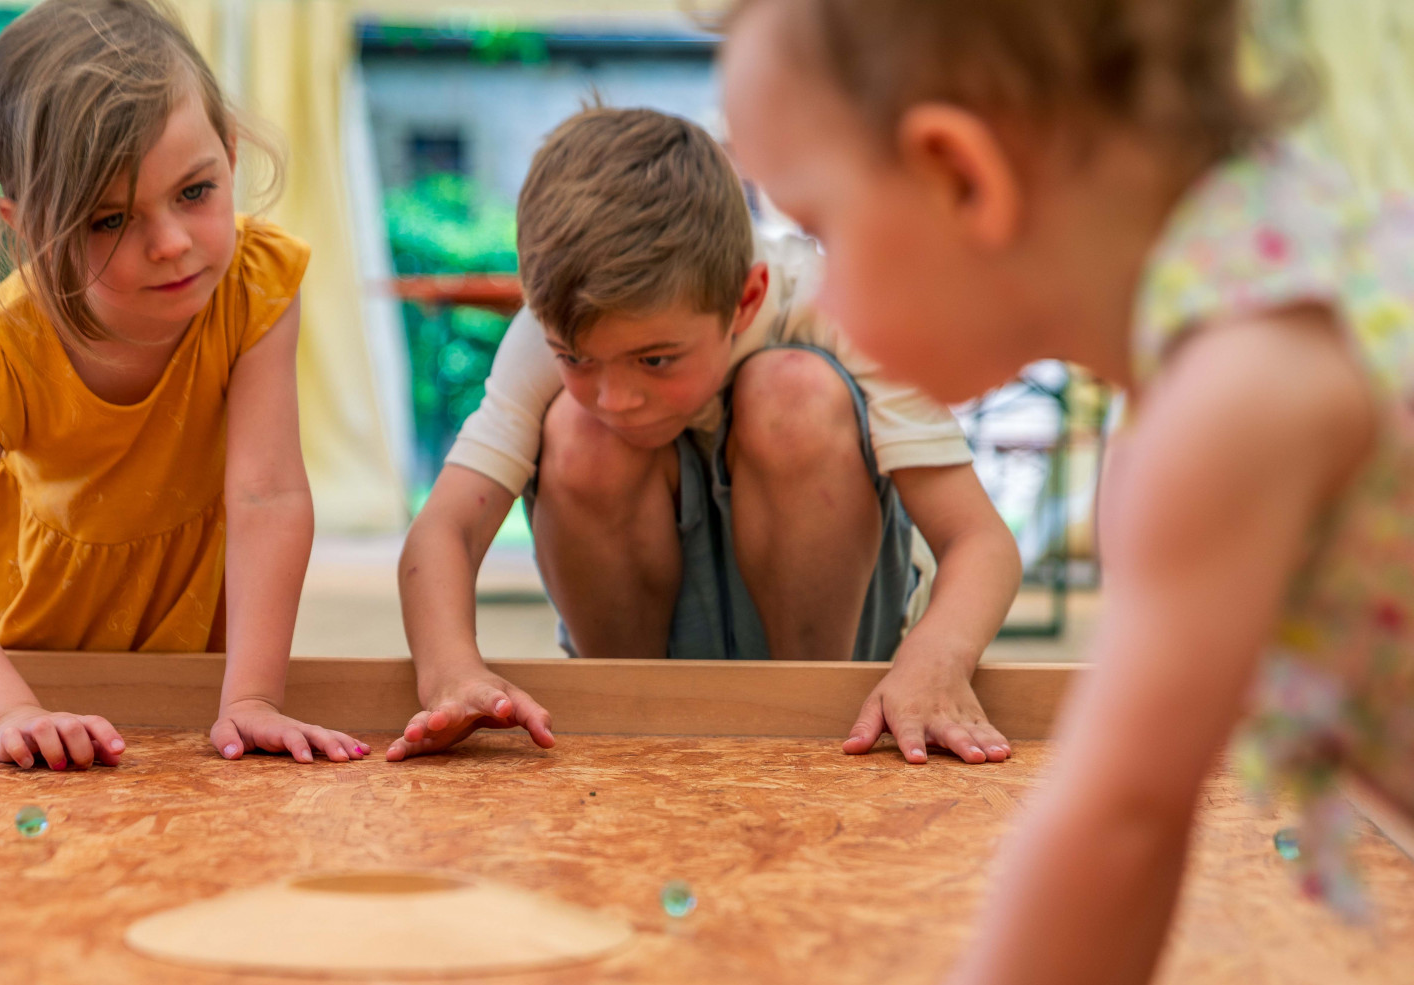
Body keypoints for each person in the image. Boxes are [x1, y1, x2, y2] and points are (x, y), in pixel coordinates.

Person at [721, 0, 1414, 985]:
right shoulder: (1223, 344)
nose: (817, 289)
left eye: (819, 224)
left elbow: (1111, 811)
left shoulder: (1231, 397)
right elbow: (1144, 807)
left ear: (959, 177)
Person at [390, 107, 1023, 764]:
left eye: (656, 359)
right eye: (576, 359)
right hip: (641, 642)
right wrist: (451, 673)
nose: (617, 398)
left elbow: (980, 538)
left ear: (746, 300)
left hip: (842, 645)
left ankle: (813, 713)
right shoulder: (545, 335)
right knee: (581, 431)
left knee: (791, 394)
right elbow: (444, 530)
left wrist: (935, 659)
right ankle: (631, 715)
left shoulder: (839, 302)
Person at [0, 0, 366, 773]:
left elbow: (267, 494)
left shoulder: (256, 286)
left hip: (169, 670)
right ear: (29, 224)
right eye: (108, 220)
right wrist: (9, 708)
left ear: (230, 153)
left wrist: (252, 698)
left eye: (195, 193)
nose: (171, 243)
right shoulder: (1, 343)